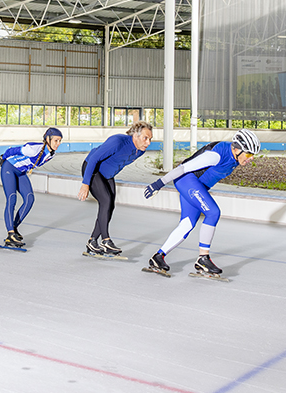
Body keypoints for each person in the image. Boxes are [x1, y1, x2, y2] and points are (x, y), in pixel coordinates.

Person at [141, 128, 261, 280]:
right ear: (236, 149)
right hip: (187, 180)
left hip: (197, 186)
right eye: (249, 154)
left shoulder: (236, 158)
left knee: (187, 224)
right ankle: (203, 259)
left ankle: (158, 257)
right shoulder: (216, 155)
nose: (251, 158)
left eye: (253, 155)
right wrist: (158, 184)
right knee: (213, 212)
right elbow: (183, 168)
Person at [77, 120, 153, 258]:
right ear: (135, 135)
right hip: (93, 169)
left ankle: (92, 241)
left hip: (107, 175)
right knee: (105, 201)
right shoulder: (117, 141)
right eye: (145, 138)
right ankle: (106, 241)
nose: (148, 143)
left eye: (150, 139)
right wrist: (85, 184)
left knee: (110, 206)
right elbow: (94, 159)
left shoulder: (140, 151)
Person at [0, 127, 63, 249]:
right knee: (12, 199)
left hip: (21, 172)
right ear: (47, 139)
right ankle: (10, 234)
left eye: (60, 141)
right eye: (56, 140)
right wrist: (3, 158)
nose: (58, 144)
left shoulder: (51, 154)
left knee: (29, 199)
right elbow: (12, 150)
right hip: (9, 168)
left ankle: (14, 228)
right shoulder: (34, 149)